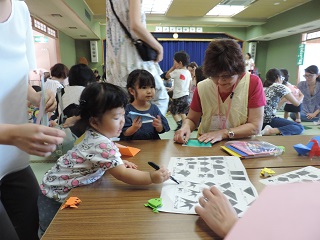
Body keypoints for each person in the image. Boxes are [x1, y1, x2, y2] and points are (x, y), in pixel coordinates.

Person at [38, 82, 170, 235]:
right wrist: (151, 177)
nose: (122, 121)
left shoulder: (93, 134)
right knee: (51, 231)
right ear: (94, 121)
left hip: (52, 185)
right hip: (54, 195)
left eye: (123, 115)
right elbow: (123, 175)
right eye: (116, 117)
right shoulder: (102, 144)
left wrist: (116, 162)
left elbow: (96, 159)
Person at [0, 1, 66, 239]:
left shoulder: (20, 9)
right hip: (11, 144)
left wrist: (38, 97)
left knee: (33, 230)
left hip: (14, 162)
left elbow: (17, 81)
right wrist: (10, 134)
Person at [174, 39, 266, 144]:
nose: (220, 81)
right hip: (207, 144)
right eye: (215, 76)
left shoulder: (252, 83)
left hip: (242, 145)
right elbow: (192, 119)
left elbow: (255, 126)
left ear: (239, 71)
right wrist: (186, 127)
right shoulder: (203, 87)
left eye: (226, 76)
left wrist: (223, 133)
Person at [105, 0, 169, 115]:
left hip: (115, 64)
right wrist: (159, 48)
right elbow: (135, 26)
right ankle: (145, 131)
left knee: (122, 109)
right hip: (133, 58)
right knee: (161, 98)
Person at [121, 69, 170, 140]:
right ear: (132, 91)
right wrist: (134, 128)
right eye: (144, 88)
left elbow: (161, 130)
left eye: (152, 87)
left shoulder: (154, 108)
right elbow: (124, 132)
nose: (149, 91)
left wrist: (159, 126)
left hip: (151, 146)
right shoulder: (127, 109)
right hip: (132, 147)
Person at [51, 64, 96, 137]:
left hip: (65, 134)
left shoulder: (61, 92)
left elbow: (58, 113)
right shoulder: (90, 91)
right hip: (87, 134)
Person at [261, 68, 303, 136]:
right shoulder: (280, 87)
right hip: (269, 119)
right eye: (282, 78)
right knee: (299, 127)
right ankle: (271, 131)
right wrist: (302, 96)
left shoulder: (263, 88)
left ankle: (266, 129)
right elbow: (297, 103)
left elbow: (276, 107)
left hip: (258, 121)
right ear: (278, 77)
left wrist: (284, 99)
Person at [165, 51, 192, 131]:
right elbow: (189, 84)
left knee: (173, 111)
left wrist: (173, 67)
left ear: (179, 63)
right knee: (183, 112)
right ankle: (186, 126)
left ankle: (179, 124)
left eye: (174, 61)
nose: (173, 62)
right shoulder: (188, 72)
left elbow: (167, 76)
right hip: (186, 95)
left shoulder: (177, 72)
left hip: (178, 96)